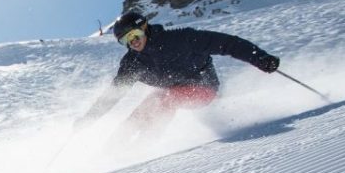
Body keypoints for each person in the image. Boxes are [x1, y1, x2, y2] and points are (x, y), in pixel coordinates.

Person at [74, 12, 281, 139]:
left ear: (144, 27)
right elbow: (114, 93)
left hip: (204, 87)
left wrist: (261, 59)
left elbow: (227, 44)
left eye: (134, 35)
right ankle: (114, 150)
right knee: (145, 107)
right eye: (125, 41)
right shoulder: (132, 62)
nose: (133, 42)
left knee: (165, 100)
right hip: (173, 91)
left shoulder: (181, 39)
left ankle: (145, 147)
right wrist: (88, 119)